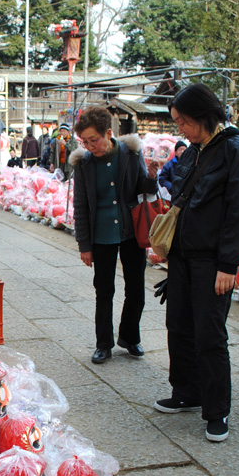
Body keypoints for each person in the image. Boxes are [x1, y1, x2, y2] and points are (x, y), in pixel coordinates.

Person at [155, 84, 239, 443]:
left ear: (202, 115)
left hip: (214, 261)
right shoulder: (193, 151)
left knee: (210, 335)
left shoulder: (237, 149)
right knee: (178, 325)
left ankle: (217, 411)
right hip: (183, 256)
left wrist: (228, 265)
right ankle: (187, 391)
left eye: (183, 121)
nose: (180, 128)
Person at [70, 106, 160, 364]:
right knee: (104, 290)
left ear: (108, 133)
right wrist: (84, 245)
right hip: (101, 235)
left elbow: (142, 187)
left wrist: (152, 176)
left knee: (136, 288)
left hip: (131, 231)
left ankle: (130, 337)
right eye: (84, 142)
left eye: (93, 140)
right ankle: (103, 343)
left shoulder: (130, 154)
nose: (89, 146)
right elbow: (80, 206)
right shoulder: (84, 163)